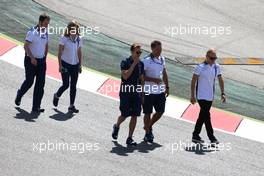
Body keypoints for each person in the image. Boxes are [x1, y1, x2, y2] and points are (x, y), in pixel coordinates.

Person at [15, 14, 50, 113]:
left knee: (40, 84)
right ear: (40, 22)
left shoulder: (46, 33)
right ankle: (20, 93)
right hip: (30, 60)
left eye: (48, 24)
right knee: (30, 81)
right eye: (45, 23)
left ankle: (36, 107)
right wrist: (32, 58)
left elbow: (46, 46)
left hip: (41, 61)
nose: (47, 26)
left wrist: (44, 57)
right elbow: (26, 46)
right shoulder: (32, 32)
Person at [190, 49, 226, 145]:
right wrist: (192, 95)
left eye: (215, 58)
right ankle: (212, 138)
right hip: (201, 95)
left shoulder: (216, 67)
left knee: (203, 116)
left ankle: (195, 135)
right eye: (211, 58)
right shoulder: (200, 67)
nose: (213, 60)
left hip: (210, 96)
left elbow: (220, 79)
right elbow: (193, 81)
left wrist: (223, 93)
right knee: (206, 115)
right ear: (206, 57)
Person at [112, 44, 144, 146]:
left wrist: (142, 94)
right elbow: (125, 76)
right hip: (126, 91)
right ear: (132, 52)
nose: (139, 54)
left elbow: (142, 80)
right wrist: (133, 64)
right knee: (125, 114)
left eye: (140, 52)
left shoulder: (141, 64)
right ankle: (116, 126)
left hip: (136, 92)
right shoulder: (125, 62)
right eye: (137, 52)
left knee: (135, 115)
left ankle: (129, 138)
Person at [52, 21, 83, 113]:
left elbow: (79, 52)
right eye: (72, 28)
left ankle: (71, 105)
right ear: (69, 29)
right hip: (65, 64)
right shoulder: (64, 38)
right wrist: (60, 65)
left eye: (75, 28)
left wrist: (80, 65)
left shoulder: (79, 39)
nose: (74, 30)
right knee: (66, 84)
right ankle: (57, 95)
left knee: (73, 86)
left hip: (75, 65)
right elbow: (59, 52)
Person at [142, 40, 169, 143]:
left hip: (160, 91)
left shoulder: (162, 59)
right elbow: (141, 77)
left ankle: (148, 126)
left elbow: (165, 72)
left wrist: (167, 87)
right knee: (147, 113)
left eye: (160, 49)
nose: (159, 51)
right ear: (152, 49)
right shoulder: (146, 60)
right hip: (148, 91)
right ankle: (148, 133)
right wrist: (153, 80)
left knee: (160, 111)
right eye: (157, 49)